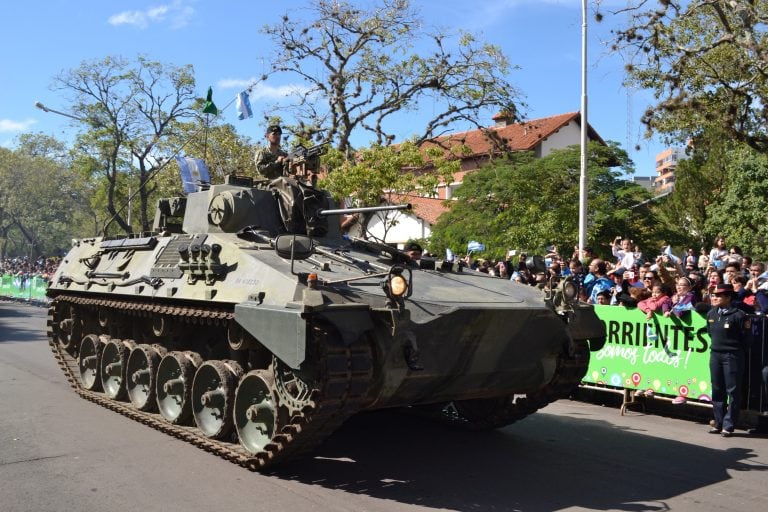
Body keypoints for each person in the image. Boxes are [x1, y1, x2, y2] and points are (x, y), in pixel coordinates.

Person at [706, 283, 751, 437]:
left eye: (718, 295)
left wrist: (735, 351)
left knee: (732, 390)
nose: (715, 297)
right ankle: (718, 422)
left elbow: (745, 338)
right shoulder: (711, 314)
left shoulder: (739, 315)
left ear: (728, 297)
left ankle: (728, 425)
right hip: (716, 354)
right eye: (714, 295)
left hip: (733, 356)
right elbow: (710, 334)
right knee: (717, 388)